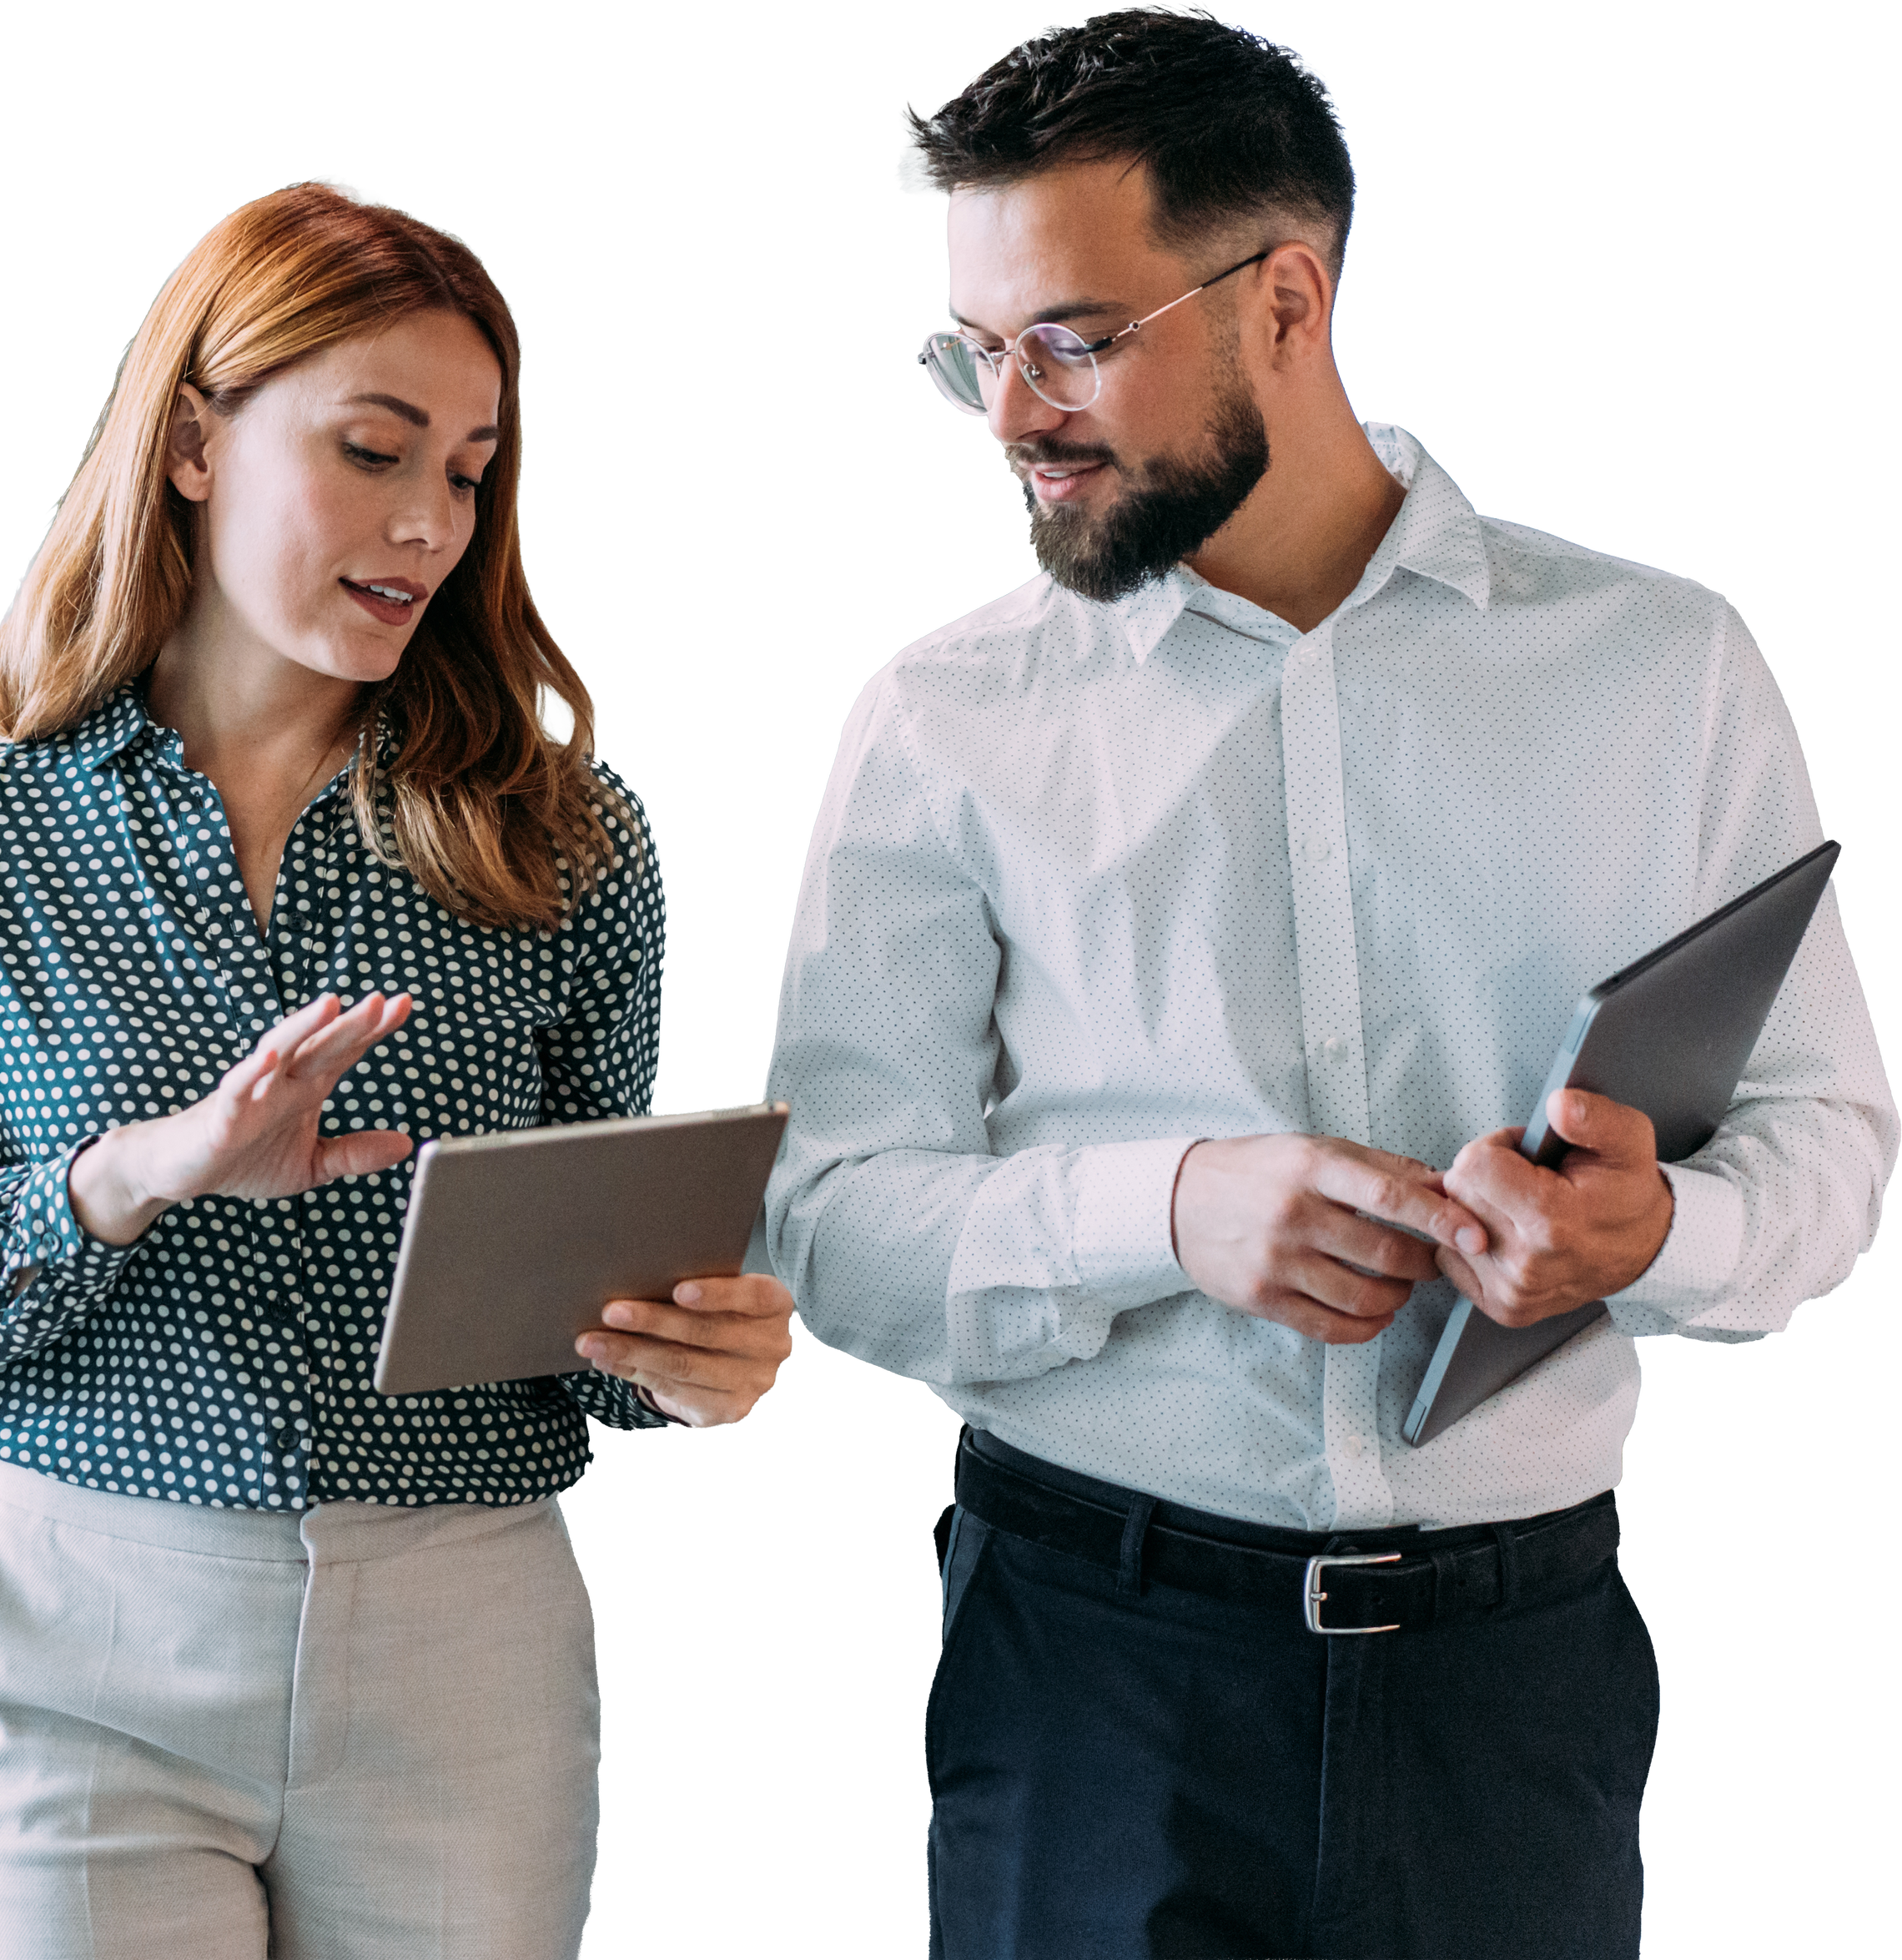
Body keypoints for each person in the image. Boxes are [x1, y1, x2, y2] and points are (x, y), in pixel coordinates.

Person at [762, 13, 1896, 1959]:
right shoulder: (939, 721)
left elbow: (1826, 1149)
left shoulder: (1659, 667)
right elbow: (828, 1236)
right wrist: (1167, 1211)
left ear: (1282, 297)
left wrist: (1651, 1234)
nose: (1017, 408)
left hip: (1512, 1681)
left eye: (1072, 337)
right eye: (979, 352)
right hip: (1086, 1677)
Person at [0, 181, 792, 1960]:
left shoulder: (572, 842)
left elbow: (592, 1337)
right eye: (372, 449)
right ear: (194, 441)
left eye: (470, 470)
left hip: (460, 1642)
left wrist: (704, 1374)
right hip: (74, 1632)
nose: (428, 522)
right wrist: (141, 1171)